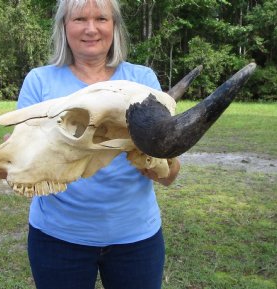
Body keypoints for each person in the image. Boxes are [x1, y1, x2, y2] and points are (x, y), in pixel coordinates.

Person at [15, 0, 180, 288]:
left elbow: (170, 176)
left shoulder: (142, 80)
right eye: (79, 19)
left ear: (114, 26)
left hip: (137, 240)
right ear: (64, 27)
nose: (91, 29)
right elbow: (19, 166)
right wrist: (17, 163)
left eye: (101, 19)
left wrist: (159, 163)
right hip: (57, 239)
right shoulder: (39, 81)